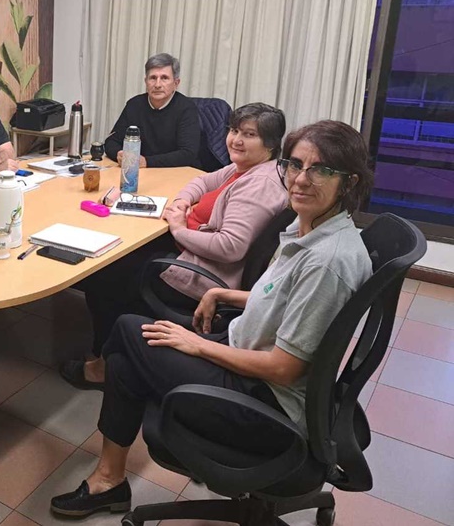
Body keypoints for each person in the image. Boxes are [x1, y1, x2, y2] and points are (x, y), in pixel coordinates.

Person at [50, 120, 374, 518]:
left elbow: (283, 369)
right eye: (295, 164)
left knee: (128, 333)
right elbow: (283, 296)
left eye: (321, 170)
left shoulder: (328, 261)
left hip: (264, 402)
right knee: (129, 350)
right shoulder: (314, 228)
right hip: (247, 357)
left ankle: (108, 478)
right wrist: (221, 292)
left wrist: (198, 344)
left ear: (349, 182)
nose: (301, 179)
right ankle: (108, 478)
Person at [61, 103, 288, 390]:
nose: (236, 140)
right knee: (120, 252)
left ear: (269, 143)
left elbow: (230, 246)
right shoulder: (244, 168)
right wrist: (182, 202)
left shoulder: (260, 185)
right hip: (193, 251)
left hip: (202, 272)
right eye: (233, 131)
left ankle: (103, 366)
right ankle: (110, 349)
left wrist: (180, 229)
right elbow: (202, 180)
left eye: (249, 134)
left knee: (104, 275)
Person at [104, 53, 201, 168]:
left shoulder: (186, 108)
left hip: (174, 173)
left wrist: (147, 162)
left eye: (164, 78)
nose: (157, 84)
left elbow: (188, 154)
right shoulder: (134, 105)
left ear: (176, 83)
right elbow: (111, 141)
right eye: (153, 78)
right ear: (146, 82)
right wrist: (119, 154)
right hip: (141, 172)